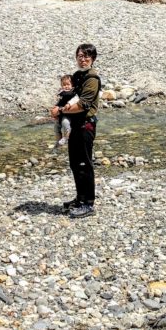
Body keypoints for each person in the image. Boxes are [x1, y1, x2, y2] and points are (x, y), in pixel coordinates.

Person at [57, 43, 102, 218]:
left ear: (93, 59)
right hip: (75, 125)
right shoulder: (76, 76)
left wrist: (61, 111)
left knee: (84, 163)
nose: (82, 59)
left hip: (86, 125)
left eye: (86, 57)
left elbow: (84, 104)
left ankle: (88, 204)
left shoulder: (92, 79)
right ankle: (80, 198)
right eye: (80, 56)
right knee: (75, 163)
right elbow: (68, 95)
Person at [50, 74, 75, 150]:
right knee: (56, 127)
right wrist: (55, 109)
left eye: (68, 84)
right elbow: (59, 102)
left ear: (72, 85)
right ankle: (58, 141)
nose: (66, 86)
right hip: (60, 113)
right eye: (64, 85)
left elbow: (69, 95)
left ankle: (66, 137)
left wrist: (59, 108)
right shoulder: (62, 93)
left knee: (65, 123)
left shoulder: (72, 92)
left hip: (68, 113)